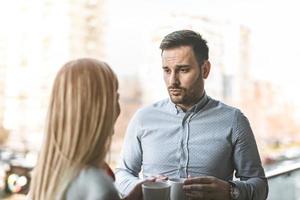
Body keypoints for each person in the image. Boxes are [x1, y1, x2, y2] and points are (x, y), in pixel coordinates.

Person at [115, 30, 268, 200]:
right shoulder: (143, 119)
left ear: (205, 69)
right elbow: (124, 173)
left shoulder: (234, 120)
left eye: (183, 70)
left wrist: (230, 191)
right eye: (167, 70)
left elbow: (260, 185)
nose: (172, 81)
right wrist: (141, 187)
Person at [28, 58, 150, 200]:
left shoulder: (46, 176)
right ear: (100, 112)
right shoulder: (98, 186)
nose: (118, 110)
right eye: (115, 98)